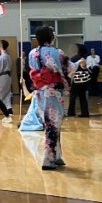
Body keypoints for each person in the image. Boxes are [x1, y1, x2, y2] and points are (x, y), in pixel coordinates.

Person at [27, 26, 68, 170]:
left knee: (50, 124)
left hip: (40, 92)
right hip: (53, 93)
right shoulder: (57, 52)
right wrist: (78, 64)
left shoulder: (32, 53)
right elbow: (67, 68)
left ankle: (56, 156)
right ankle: (48, 159)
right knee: (53, 125)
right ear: (51, 37)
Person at [0, 40, 15, 122]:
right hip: (7, 76)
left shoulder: (3, 57)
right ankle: (9, 109)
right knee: (7, 94)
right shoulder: (6, 55)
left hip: (2, 76)